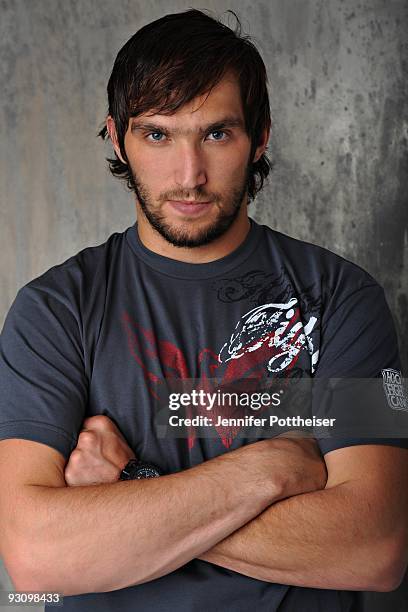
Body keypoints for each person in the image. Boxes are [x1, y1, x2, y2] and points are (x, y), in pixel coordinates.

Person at [0, 8, 407, 612]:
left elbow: (375, 548)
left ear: (260, 135)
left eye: (217, 133)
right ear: (118, 137)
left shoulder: (343, 299)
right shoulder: (55, 311)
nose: (189, 176)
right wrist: (267, 472)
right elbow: (36, 556)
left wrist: (134, 492)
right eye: (158, 134)